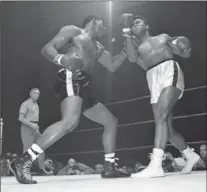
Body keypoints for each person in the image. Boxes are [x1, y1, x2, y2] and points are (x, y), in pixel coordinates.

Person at [10, 15, 130, 184]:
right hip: (71, 76)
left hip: (85, 83)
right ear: (94, 21)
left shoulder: (98, 46)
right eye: (104, 23)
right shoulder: (74, 31)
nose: (106, 28)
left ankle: (109, 166)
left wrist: (126, 49)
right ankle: (23, 161)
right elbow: (47, 48)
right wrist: (61, 59)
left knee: (111, 122)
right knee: (69, 122)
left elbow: (112, 65)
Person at [120, 13, 201, 177]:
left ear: (147, 26)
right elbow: (132, 58)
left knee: (160, 117)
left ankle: (156, 165)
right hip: (152, 77)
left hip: (169, 70)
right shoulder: (135, 45)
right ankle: (190, 155)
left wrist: (185, 47)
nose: (135, 24)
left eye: (138, 21)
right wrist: (126, 31)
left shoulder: (163, 37)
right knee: (168, 130)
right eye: (132, 23)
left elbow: (185, 53)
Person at [18, 88, 51, 175]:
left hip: (35, 128)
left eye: (38, 94)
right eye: (35, 93)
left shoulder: (36, 105)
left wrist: (35, 127)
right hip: (27, 127)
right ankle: (23, 171)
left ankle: (42, 169)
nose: (37, 95)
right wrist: (31, 125)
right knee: (27, 150)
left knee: (41, 147)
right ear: (30, 94)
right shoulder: (25, 104)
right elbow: (21, 118)